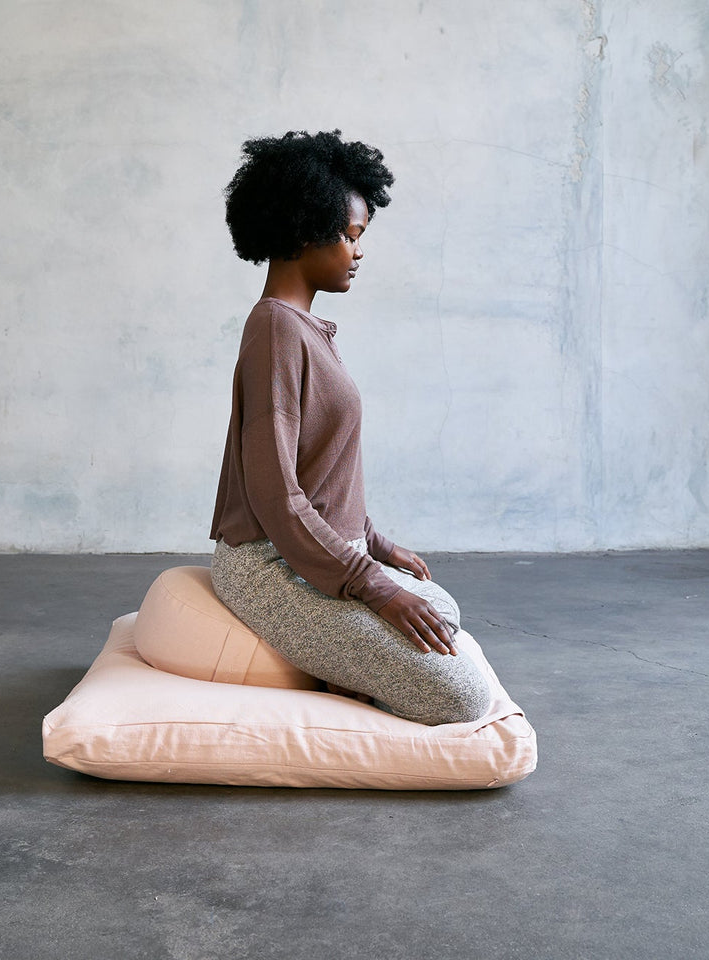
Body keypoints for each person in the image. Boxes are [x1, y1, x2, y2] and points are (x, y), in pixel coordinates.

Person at [208, 130, 491, 726]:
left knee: (442, 606)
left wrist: (379, 545)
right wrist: (376, 585)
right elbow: (276, 496)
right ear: (304, 229)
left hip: (319, 552)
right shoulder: (277, 332)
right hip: (269, 565)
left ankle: (348, 670)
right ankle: (346, 675)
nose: (358, 252)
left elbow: (320, 472)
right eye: (350, 236)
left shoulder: (304, 327)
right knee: (461, 696)